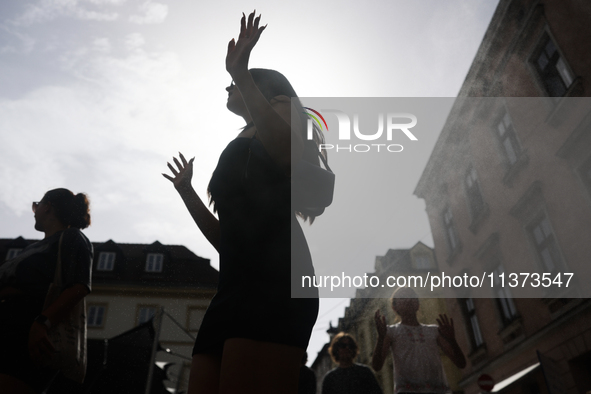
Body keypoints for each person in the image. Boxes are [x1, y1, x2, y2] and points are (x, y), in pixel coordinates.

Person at [162, 11, 322, 394]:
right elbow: (226, 237)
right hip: (233, 284)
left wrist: (241, 71)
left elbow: (285, 152)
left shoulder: (283, 108)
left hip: (276, 280)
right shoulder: (241, 138)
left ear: (265, 89)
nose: (228, 88)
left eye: (234, 84)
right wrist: (187, 191)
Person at [0, 188, 93, 394]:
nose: (34, 211)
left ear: (47, 206)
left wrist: (42, 322)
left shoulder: (72, 238)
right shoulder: (33, 248)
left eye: (36, 205)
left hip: (23, 337)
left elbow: (79, 286)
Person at [372, 287, 466, 394]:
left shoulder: (434, 331)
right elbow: (376, 366)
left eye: (412, 297)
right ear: (395, 307)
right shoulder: (391, 332)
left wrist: (452, 340)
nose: (408, 300)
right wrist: (380, 338)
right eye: (403, 298)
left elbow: (461, 363)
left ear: (418, 304)